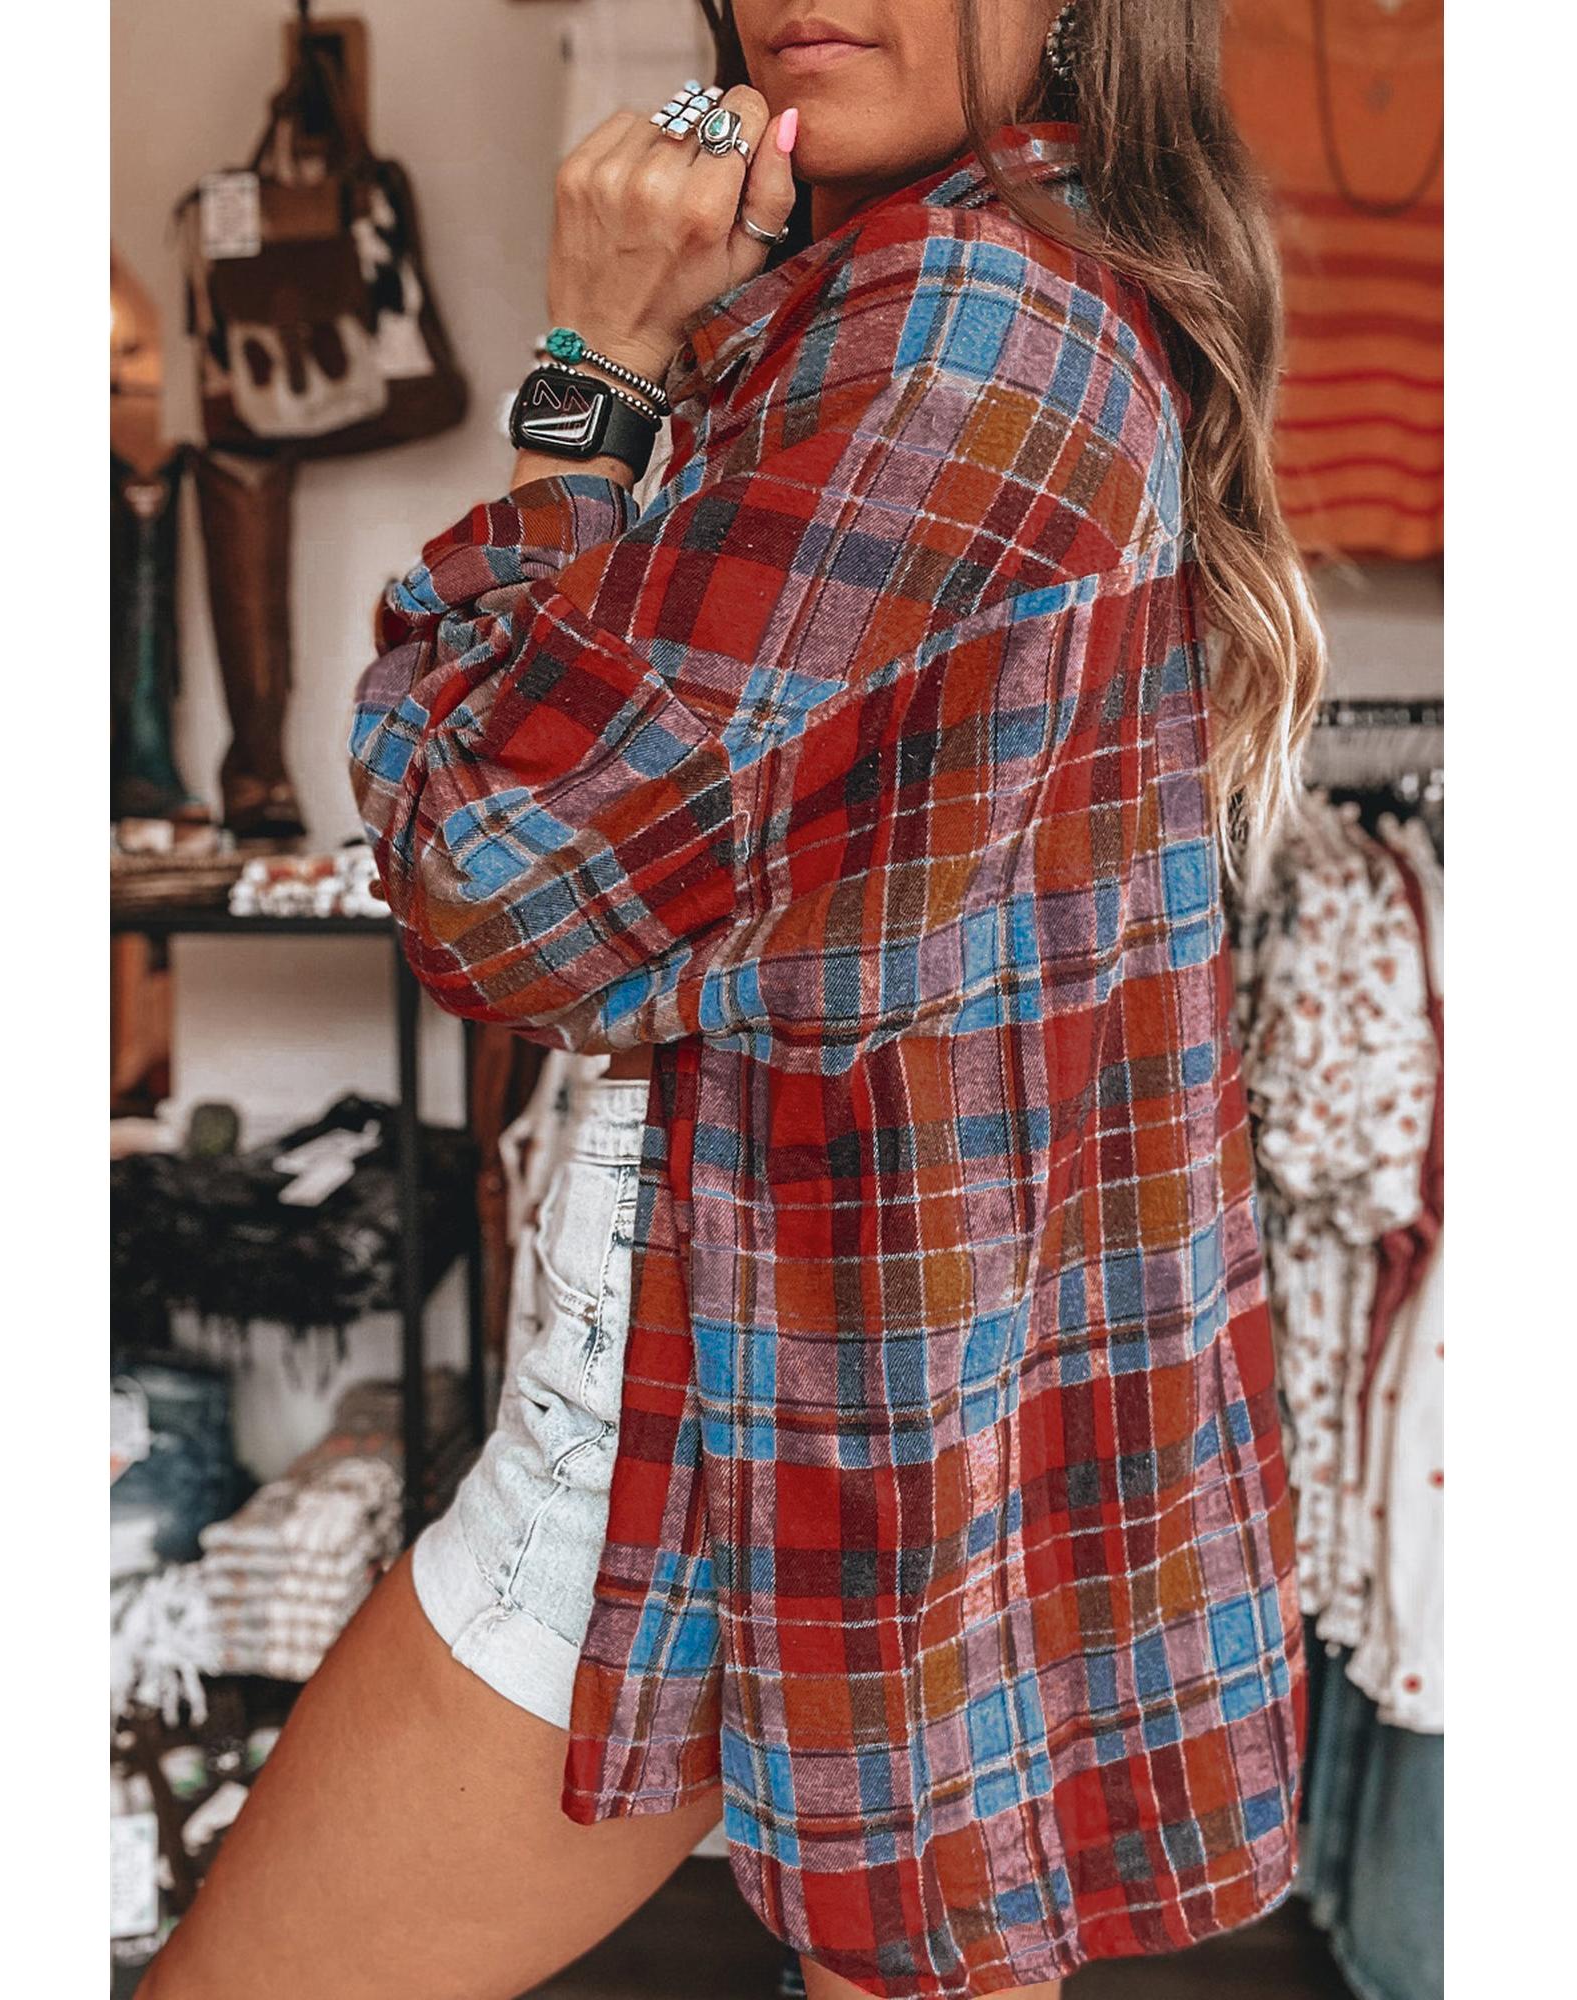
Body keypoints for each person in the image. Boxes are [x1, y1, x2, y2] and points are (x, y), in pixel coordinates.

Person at [141, 3, 1324, 1996]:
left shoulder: (954, 324)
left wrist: (589, 371)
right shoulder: (984, 281)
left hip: (731, 1408)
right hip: (895, 1383)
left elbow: (484, 880)